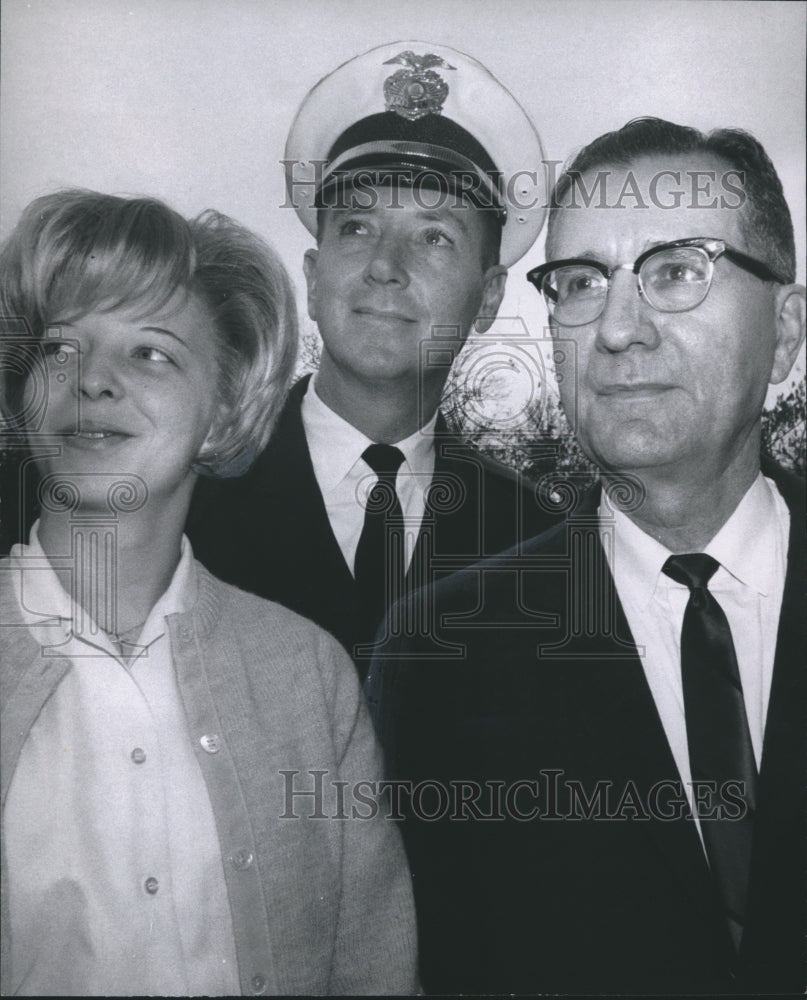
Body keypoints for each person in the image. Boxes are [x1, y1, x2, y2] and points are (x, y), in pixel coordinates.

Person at [366, 118, 806, 995]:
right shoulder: (439, 653)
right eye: (579, 283)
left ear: (785, 331)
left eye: (678, 271)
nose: (617, 329)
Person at [0, 190, 418, 996]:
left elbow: (372, 970)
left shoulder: (309, 676)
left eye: (150, 352)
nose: (93, 380)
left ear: (225, 405)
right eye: (61, 348)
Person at [187, 41, 556, 680]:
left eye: (434, 237)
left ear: (489, 297)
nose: (385, 267)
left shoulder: (540, 542)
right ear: (313, 272)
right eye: (356, 228)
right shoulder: (190, 490)